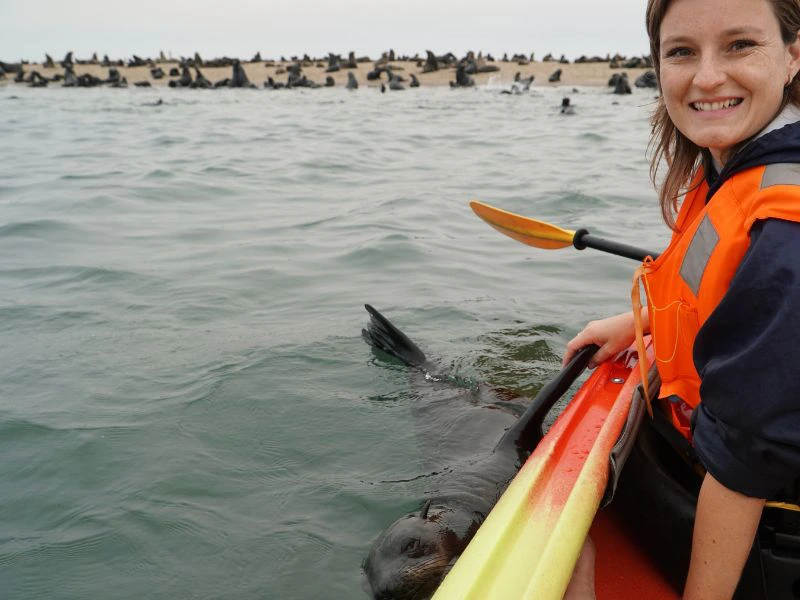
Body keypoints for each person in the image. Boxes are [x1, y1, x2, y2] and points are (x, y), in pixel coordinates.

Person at [562, 0, 800, 597]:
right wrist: (637, 322)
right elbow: (723, 294)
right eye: (683, 52)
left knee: (569, 556)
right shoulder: (742, 165)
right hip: (722, 461)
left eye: (740, 44)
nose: (707, 77)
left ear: (794, 55)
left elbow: (747, 457)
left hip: (772, 536)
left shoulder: (787, 227)